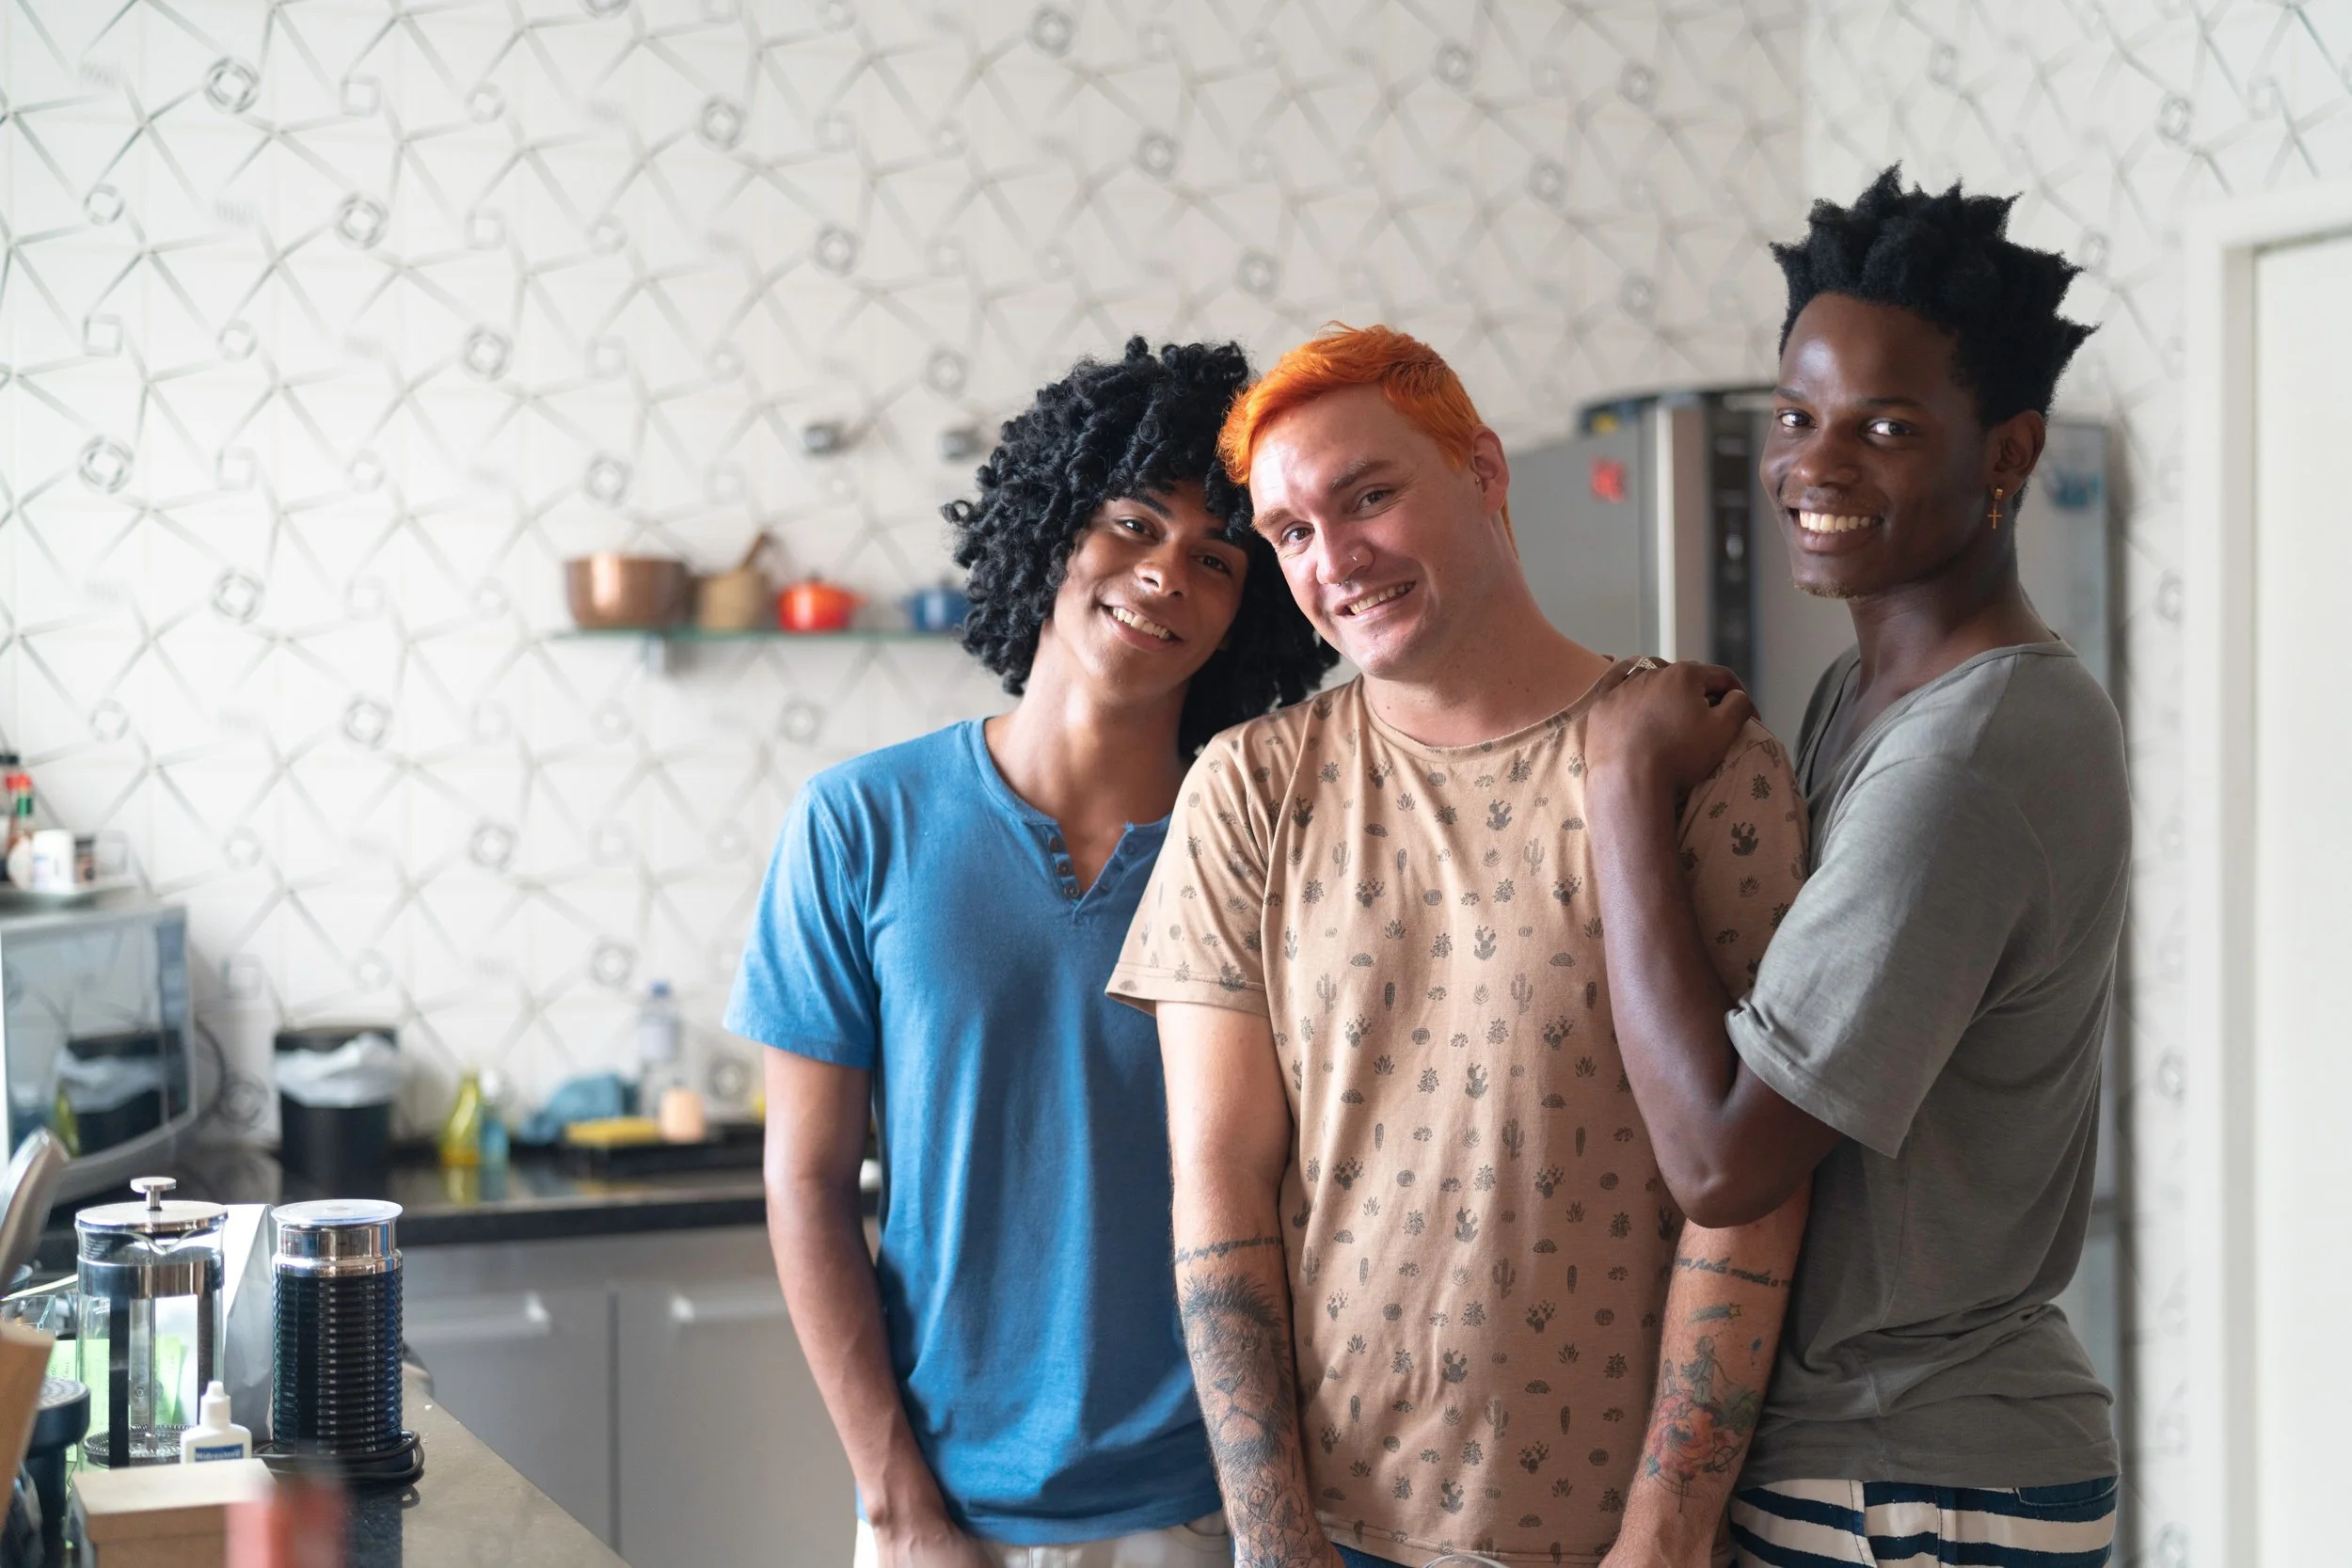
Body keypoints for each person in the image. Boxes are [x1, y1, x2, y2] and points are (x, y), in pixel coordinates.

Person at [1108, 325, 1813, 1568]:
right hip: (1333, 1530)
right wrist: (1273, 1542)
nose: (1335, 560)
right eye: (1290, 533)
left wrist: (1667, 1526)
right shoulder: (1250, 791)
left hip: (1618, 1539)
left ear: (1483, 471)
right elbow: (1220, 1190)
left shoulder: (1695, 757)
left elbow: (1755, 1188)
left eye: (1369, 495)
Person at [1579, 169, 2123, 1565]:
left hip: (1916, 1473)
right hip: (1869, 1453)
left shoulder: (1969, 755)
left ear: (2007, 452)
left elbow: (1721, 1156)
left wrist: (1621, 786)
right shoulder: (1858, 696)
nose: (1814, 468)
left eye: (1884, 428)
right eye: (1798, 416)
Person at [730, 339, 1332, 1567]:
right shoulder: (859, 824)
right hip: (944, 1514)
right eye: (1131, 523)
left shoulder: (1268, 844)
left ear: (1248, 612)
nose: (1166, 572)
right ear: (1054, 524)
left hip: (1200, 1503)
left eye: (1217, 557)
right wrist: (896, 1503)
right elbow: (806, 1185)